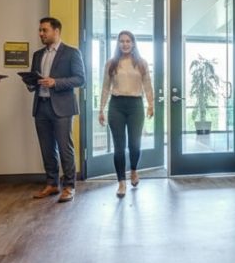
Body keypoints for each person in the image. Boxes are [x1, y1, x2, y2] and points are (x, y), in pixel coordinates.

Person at [29, 17, 86, 203]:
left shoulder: (71, 52)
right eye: (40, 30)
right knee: (47, 149)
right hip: (41, 106)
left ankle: (69, 186)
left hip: (62, 108)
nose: (41, 34)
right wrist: (30, 83)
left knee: (64, 148)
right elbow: (34, 79)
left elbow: (80, 79)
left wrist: (56, 82)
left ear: (56, 31)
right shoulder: (37, 55)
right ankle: (52, 183)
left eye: (44, 30)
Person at [98, 30, 154, 198]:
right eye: (122, 41)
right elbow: (106, 87)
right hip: (116, 105)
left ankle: (134, 171)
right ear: (118, 44)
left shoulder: (142, 63)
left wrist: (151, 104)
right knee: (119, 147)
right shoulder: (111, 63)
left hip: (135, 105)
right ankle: (121, 182)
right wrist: (101, 109)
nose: (125, 44)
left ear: (133, 43)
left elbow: (148, 85)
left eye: (128, 41)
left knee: (135, 145)